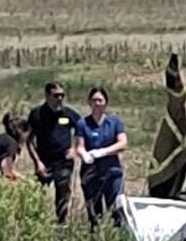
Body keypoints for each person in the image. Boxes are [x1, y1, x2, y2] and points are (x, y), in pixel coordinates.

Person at [26, 82, 81, 224]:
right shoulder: (37, 114)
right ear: (47, 96)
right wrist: (37, 162)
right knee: (36, 193)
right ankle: (35, 223)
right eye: (56, 95)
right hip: (44, 161)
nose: (60, 98)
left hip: (63, 161)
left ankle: (61, 223)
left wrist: (76, 148)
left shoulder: (68, 114)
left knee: (63, 193)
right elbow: (29, 140)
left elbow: (83, 129)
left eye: (62, 95)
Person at [76, 87, 127, 230]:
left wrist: (103, 152)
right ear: (89, 102)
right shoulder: (83, 123)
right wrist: (84, 154)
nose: (97, 103)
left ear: (105, 103)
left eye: (100, 100)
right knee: (94, 210)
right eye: (94, 100)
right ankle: (95, 239)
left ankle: (118, 237)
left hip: (112, 172)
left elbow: (123, 143)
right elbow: (79, 145)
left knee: (116, 208)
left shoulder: (114, 122)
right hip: (91, 173)